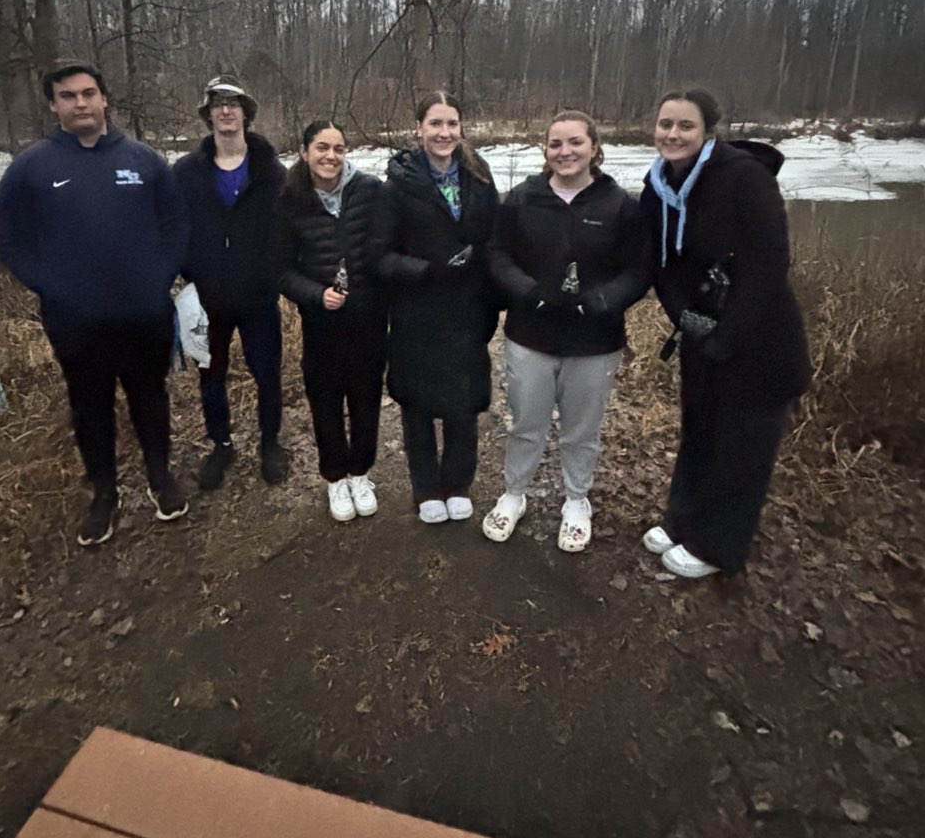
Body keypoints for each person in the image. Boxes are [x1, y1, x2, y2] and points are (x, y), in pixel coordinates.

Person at [0, 62, 189, 548]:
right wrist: (50, 286)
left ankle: (160, 477)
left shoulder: (143, 162)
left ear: (105, 100)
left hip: (143, 314)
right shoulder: (31, 169)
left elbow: (177, 226)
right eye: (68, 96)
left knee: (150, 396)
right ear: (54, 105)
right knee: (90, 405)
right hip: (74, 321)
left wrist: (157, 279)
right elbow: (8, 240)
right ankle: (103, 492)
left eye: (88, 94)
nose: (80, 103)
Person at [639, 89, 811, 579]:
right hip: (701, 332)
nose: (673, 134)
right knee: (700, 432)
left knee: (742, 448)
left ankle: (719, 548)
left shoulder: (744, 179)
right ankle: (683, 522)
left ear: (708, 131)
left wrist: (729, 334)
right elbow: (661, 263)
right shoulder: (658, 185)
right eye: (665, 124)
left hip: (760, 340)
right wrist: (684, 317)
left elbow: (769, 262)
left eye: (685, 126)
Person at [483, 111, 648, 551]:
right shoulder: (521, 200)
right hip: (531, 336)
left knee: (581, 429)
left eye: (575, 142)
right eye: (555, 144)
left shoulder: (619, 206)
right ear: (545, 151)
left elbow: (639, 269)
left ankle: (576, 500)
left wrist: (604, 299)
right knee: (526, 424)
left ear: (594, 147)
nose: (565, 152)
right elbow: (498, 256)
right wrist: (527, 290)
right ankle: (514, 493)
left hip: (595, 342)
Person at [371, 92, 499, 523]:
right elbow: (380, 255)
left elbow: (493, 242)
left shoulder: (480, 178)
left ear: (461, 129)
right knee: (418, 403)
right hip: (416, 309)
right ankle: (425, 486)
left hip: (467, 308)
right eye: (435, 124)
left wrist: (492, 295)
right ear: (418, 129)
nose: (444, 133)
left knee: (463, 400)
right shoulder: (398, 185)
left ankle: (457, 482)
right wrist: (426, 270)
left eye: (451, 124)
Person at [174, 79, 289, 488]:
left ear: (246, 114)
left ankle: (270, 445)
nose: (226, 112)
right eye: (218, 105)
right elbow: (175, 229)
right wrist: (188, 275)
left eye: (233, 105)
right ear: (208, 115)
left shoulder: (271, 172)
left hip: (258, 297)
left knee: (267, 374)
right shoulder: (186, 173)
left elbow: (284, 232)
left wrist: (271, 275)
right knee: (211, 375)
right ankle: (221, 445)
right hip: (207, 300)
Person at [274, 121, 387, 522]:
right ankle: (335, 477)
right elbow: (281, 270)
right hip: (321, 323)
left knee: (366, 398)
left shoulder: (370, 190)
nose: (331, 156)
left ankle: (361, 472)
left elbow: (387, 244)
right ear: (304, 152)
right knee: (325, 400)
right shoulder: (289, 200)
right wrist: (315, 295)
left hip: (369, 319)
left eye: (339, 149)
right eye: (322, 147)